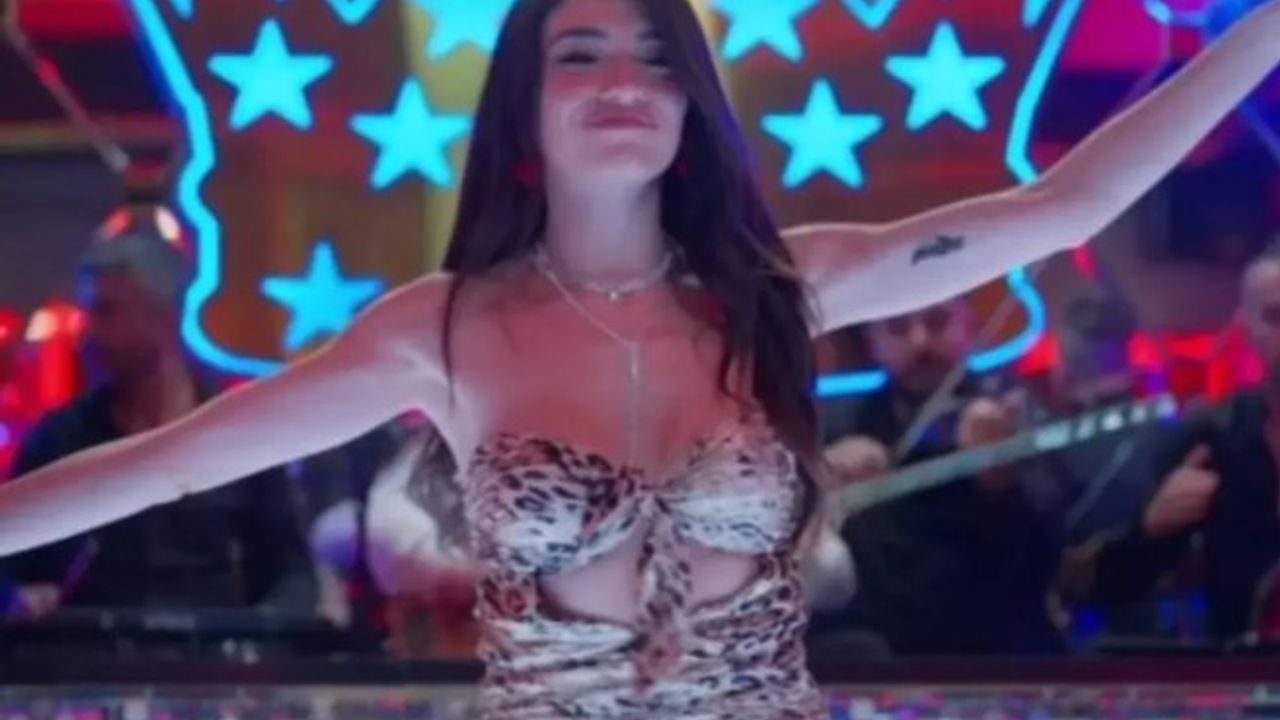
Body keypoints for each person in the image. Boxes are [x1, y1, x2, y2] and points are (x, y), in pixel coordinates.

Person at [0, 0, 1277, 715]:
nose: (623, 79)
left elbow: (1064, 207)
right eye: (581, 53)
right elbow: (168, 465)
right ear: (524, 102)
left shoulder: (779, 286)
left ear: (687, 104)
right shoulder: (443, 329)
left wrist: (1261, 28)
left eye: (655, 58)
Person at [0, 220, 315, 613]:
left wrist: (266, 625)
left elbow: (293, 577)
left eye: (106, 312)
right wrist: (15, 601)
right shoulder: (60, 440)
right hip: (85, 647)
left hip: (216, 648)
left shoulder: (238, 438)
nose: (88, 334)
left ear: (163, 317)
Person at [815, 298, 1064, 655]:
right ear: (873, 340)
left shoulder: (1013, 410)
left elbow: (1059, 544)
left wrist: (1003, 480)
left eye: (938, 321)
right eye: (897, 327)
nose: (919, 341)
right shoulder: (837, 424)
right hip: (886, 648)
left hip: (998, 644)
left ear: (970, 325)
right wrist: (821, 481)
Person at [1086, 239, 1280, 642]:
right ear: (1246, 327)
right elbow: (1106, 594)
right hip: (1241, 671)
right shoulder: (1209, 439)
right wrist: (1152, 528)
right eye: (1277, 317)